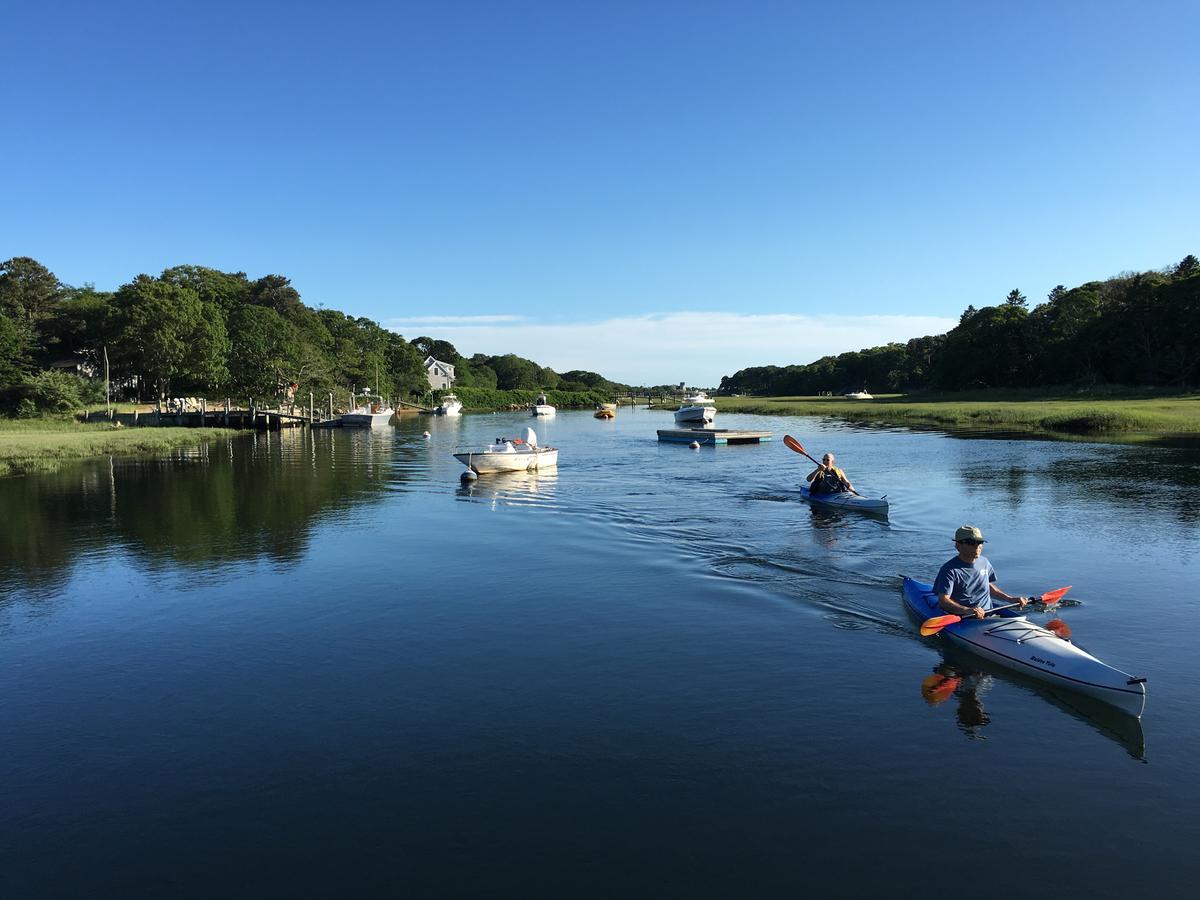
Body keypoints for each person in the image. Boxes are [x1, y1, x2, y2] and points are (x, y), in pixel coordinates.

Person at [934, 525, 1030, 620]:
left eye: (980, 542)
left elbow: (987, 585)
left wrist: (1010, 599)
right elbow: (943, 601)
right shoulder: (949, 570)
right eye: (971, 542)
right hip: (966, 618)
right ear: (958, 545)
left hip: (990, 614)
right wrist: (967, 610)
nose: (977, 546)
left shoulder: (984, 562)